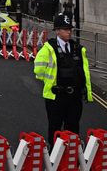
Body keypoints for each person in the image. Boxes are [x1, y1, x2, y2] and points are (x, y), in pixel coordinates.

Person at [34, 13, 92, 147]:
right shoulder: (49, 48)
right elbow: (38, 70)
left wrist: (86, 91)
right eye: (66, 29)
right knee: (55, 127)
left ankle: (70, 158)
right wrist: (51, 81)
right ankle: (54, 157)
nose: (69, 32)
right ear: (57, 30)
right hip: (56, 96)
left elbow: (84, 71)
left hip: (75, 97)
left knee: (73, 128)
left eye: (70, 29)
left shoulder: (78, 49)